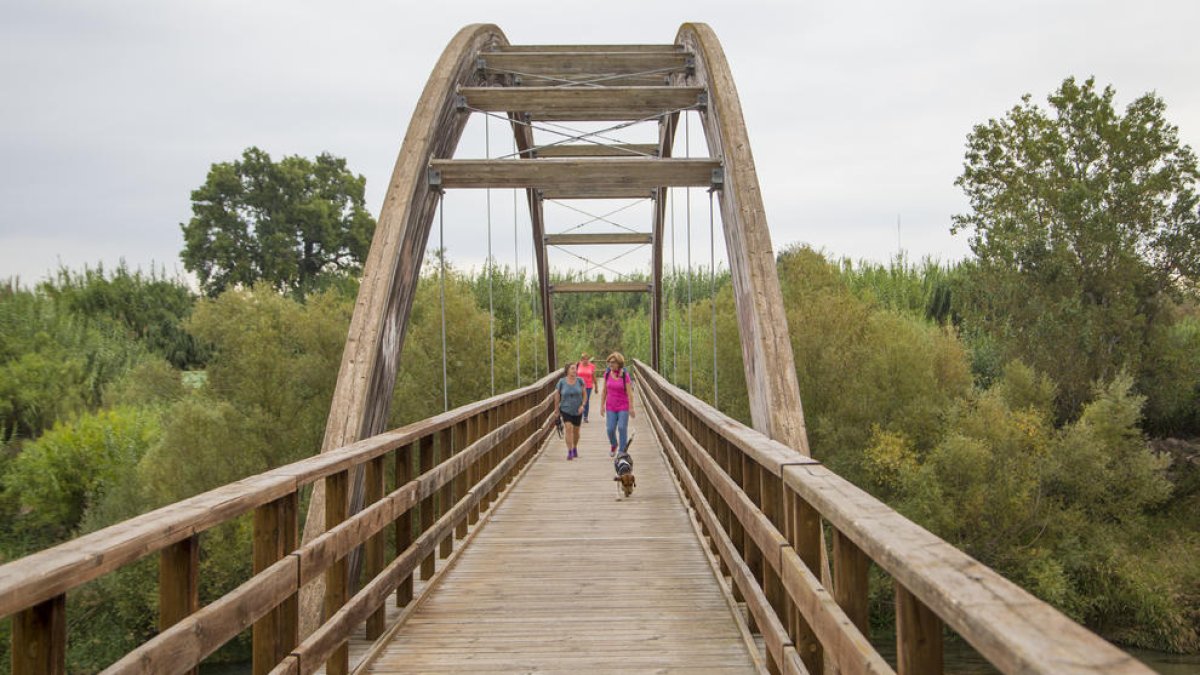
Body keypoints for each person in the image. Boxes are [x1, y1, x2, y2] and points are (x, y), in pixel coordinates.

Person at [599, 352, 635, 458]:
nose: (610, 364)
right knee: (610, 429)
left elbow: (630, 393)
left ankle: (622, 451)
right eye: (609, 362)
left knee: (622, 427)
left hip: (623, 406)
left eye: (613, 362)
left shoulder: (625, 376)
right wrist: (601, 406)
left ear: (619, 363)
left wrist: (631, 407)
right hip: (610, 406)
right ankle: (614, 444)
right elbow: (604, 391)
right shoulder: (607, 374)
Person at [553, 362, 586, 460]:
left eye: (575, 368)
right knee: (568, 428)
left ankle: (575, 447)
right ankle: (570, 451)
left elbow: (584, 395)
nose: (574, 370)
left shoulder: (580, 381)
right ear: (567, 370)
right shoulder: (561, 382)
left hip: (577, 409)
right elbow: (557, 396)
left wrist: (583, 405)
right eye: (572, 368)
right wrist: (556, 410)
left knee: (576, 432)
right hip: (565, 409)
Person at [576, 352, 596, 423]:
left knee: (586, 401)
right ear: (581, 359)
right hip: (578, 385)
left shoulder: (591, 366)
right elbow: (574, 374)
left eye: (586, 359)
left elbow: (593, 376)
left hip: (588, 386)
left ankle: (585, 416)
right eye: (583, 359)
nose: (585, 360)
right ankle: (578, 415)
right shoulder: (578, 365)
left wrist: (596, 386)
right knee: (579, 400)